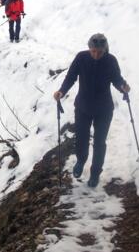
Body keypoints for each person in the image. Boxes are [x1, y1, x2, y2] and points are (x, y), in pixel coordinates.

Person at [52, 33, 131, 187]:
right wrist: (62, 91)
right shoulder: (81, 58)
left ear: (105, 50)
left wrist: (123, 87)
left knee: (99, 142)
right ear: (89, 48)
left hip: (104, 109)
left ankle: (95, 173)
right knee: (81, 138)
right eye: (93, 51)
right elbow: (71, 77)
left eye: (99, 51)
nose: (95, 54)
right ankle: (81, 160)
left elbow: (117, 79)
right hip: (83, 106)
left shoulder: (110, 61)